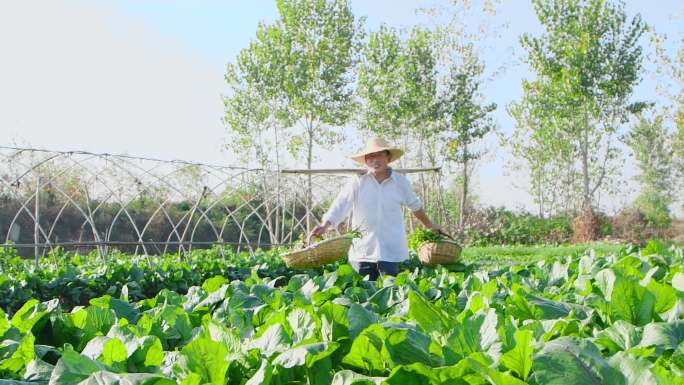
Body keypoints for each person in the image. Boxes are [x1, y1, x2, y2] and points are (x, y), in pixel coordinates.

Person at [310, 137, 442, 280]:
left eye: (379, 155)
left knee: (389, 290)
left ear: (388, 157)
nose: (375, 160)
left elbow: (415, 206)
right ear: (366, 161)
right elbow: (340, 205)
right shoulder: (357, 182)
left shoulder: (400, 182)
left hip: (390, 249)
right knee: (363, 294)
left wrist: (430, 225)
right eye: (371, 157)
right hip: (363, 249)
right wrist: (325, 225)